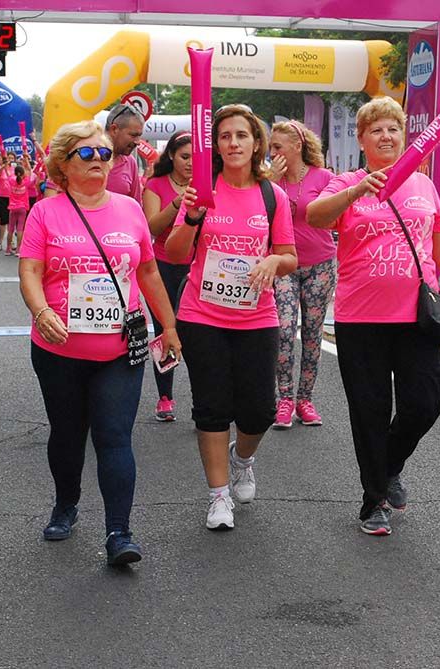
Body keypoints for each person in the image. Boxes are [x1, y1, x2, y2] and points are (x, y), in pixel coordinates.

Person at [306, 97, 440, 536]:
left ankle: (388, 466)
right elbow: (314, 217)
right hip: (361, 319)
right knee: (369, 411)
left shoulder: (424, 187)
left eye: (393, 128)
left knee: (426, 399)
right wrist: (357, 191)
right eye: (376, 130)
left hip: (415, 317)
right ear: (362, 139)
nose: (386, 136)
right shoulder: (345, 181)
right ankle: (374, 500)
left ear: (404, 135)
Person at [18, 120, 181, 566]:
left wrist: (168, 326)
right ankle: (66, 503)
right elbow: (30, 271)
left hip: (119, 349)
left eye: (104, 154)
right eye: (86, 154)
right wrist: (42, 311)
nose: (98, 162)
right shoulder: (45, 212)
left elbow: (148, 271)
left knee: (114, 436)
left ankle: (119, 532)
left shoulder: (129, 209)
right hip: (59, 348)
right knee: (68, 436)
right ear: (64, 163)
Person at [166, 104, 297, 531]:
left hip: (257, 316)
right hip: (202, 314)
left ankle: (243, 460)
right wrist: (190, 216)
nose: (233, 143)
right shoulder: (202, 190)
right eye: (225, 136)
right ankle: (217, 496)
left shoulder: (271, 195)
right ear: (216, 145)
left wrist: (272, 263)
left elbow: (291, 255)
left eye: (241, 135)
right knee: (212, 406)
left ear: (256, 142)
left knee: (260, 410)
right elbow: (174, 253)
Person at [268, 119, 336, 429]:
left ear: (297, 147)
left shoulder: (323, 177)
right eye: (270, 148)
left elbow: (333, 215)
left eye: (278, 147)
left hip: (319, 264)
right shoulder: (269, 180)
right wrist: (271, 179)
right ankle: (284, 399)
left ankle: (305, 400)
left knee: (312, 334)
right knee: (283, 329)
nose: (273, 152)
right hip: (283, 264)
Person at [142, 130, 192, 421]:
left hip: (197, 268)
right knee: (165, 329)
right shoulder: (156, 185)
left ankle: (204, 397)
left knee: (197, 333)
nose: (189, 164)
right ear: (171, 155)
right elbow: (153, 227)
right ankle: (165, 396)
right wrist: (178, 203)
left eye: (195, 159)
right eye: (184, 157)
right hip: (162, 268)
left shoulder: (208, 184)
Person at [104, 103, 144, 203]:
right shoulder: (88, 157)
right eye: (133, 135)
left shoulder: (130, 162)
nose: (138, 142)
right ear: (114, 129)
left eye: (139, 136)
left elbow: (135, 206)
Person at [5, 155, 34, 255]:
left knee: (10, 229)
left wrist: (6, 164)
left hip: (13, 207)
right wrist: (26, 159)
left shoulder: (11, 180)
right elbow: (30, 170)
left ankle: (8, 249)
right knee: (20, 229)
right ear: (22, 173)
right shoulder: (25, 181)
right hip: (22, 207)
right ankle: (18, 250)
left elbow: (6, 170)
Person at [0, 150, 17, 251]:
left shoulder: (14, 169)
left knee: (12, 220)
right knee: (3, 220)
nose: (10, 160)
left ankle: (12, 241)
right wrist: (4, 166)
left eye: (12, 158)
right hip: (2, 196)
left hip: (13, 196)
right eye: (8, 158)